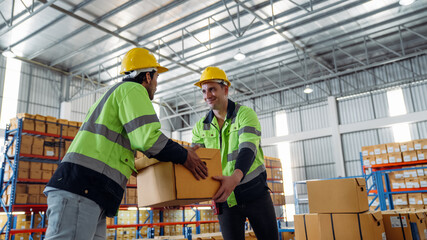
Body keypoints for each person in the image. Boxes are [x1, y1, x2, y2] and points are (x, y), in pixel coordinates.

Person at [44, 48, 208, 240]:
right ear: (147, 76)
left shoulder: (117, 96)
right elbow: (149, 140)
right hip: (82, 189)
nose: (156, 85)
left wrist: (170, 193)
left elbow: (135, 159)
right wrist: (185, 155)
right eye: (156, 78)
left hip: (91, 193)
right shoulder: (133, 89)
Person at [192, 66, 278, 240]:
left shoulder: (245, 115)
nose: (207, 95)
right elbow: (196, 162)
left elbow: (248, 148)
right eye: (204, 91)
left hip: (255, 194)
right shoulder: (200, 127)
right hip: (225, 199)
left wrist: (235, 177)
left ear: (225, 89)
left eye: (212, 89)